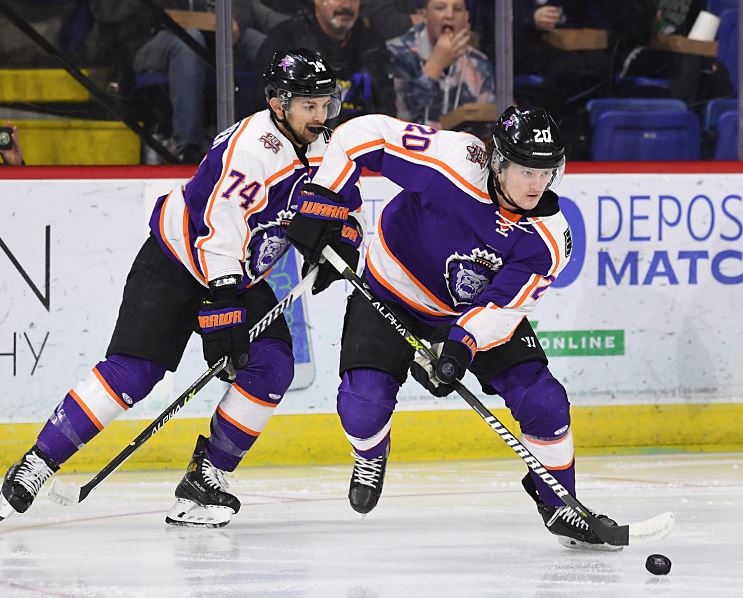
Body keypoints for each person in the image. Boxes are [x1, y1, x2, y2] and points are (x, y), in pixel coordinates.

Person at [0, 48, 363, 528]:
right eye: (309, 106)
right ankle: (37, 463)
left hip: (241, 273)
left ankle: (207, 476)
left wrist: (342, 240)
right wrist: (225, 314)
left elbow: (346, 201)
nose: (320, 117)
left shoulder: (324, 146)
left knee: (272, 366)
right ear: (279, 104)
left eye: (326, 105)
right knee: (133, 373)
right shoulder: (251, 153)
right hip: (179, 261)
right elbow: (217, 234)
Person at [295, 106, 621, 550]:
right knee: (362, 404)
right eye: (526, 170)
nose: (536, 184)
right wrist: (325, 200)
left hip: (470, 313)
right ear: (498, 161)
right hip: (394, 288)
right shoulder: (452, 160)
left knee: (544, 401)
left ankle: (559, 502)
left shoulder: (549, 237)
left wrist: (460, 347)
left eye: (546, 171)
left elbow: (502, 307)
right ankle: (371, 454)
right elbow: (361, 134)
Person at [89, 0, 209, 164]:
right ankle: (187, 149)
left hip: (189, 29)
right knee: (188, 42)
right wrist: (154, 13)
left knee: (251, 41)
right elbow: (107, 12)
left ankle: (242, 142)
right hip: (135, 45)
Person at [255, 0, 396, 121]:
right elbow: (266, 111)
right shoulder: (285, 42)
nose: (346, 5)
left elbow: (386, 110)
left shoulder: (373, 45)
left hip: (361, 145)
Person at [386, 0, 495, 127]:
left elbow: (489, 121)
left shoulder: (479, 63)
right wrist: (435, 65)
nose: (449, 15)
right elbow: (398, 119)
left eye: (457, 9)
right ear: (424, 15)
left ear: (466, 17)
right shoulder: (396, 53)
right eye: (440, 8)